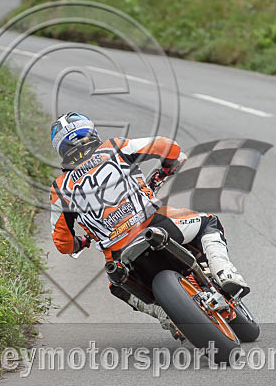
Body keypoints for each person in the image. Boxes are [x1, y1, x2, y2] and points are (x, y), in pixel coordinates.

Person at [49, 112, 248, 332]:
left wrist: (79, 242)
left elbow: (62, 243)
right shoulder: (115, 147)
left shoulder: (59, 189)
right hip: (158, 225)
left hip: (119, 255)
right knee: (208, 223)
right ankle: (225, 273)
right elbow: (167, 146)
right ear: (91, 132)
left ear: (61, 149)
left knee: (117, 287)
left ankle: (167, 316)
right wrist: (168, 166)